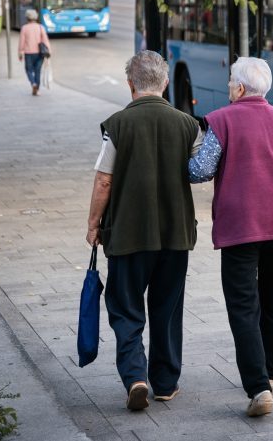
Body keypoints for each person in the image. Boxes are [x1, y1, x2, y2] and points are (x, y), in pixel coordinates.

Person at [188, 57, 273, 417]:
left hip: (241, 226)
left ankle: (258, 387)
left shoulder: (223, 120)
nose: (230, 87)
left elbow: (200, 171)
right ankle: (270, 372)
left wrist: (185, 156)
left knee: (243, 305)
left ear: (240, 88)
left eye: (231, 81)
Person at [85, 50, 201, 412]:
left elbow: (105, 180)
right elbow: (198, 171)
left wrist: (93, 224)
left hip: (128, 235)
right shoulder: (188, 125)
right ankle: (165, 383)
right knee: (167, 308)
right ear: (165, 83)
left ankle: (136, 376)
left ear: (130, 84)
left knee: (125, 306)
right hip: (175, 234)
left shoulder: (118, 124)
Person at [18, 9, 51, 95]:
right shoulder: (41, 27)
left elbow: (22, 42)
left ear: (27, 18)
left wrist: (20, 52)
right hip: (40, 53)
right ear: (36, 17)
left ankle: (33, 83)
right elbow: (45, 40)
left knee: (28, 70)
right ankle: (37, 89)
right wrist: (49, 51)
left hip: (28, 53)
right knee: (37, 71)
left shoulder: (24, 28)